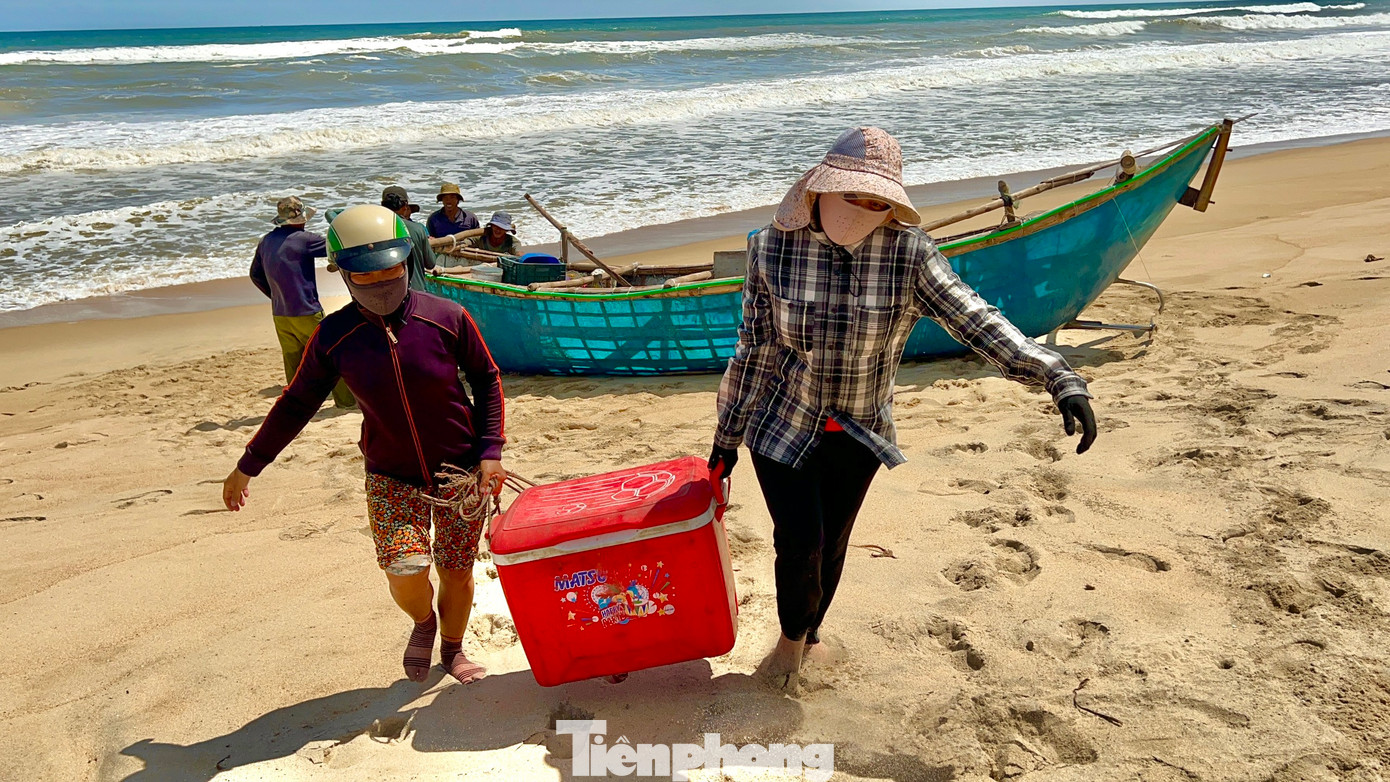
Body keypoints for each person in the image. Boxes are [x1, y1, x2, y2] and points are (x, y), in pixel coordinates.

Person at [709, 127, 1098, 692]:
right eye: (852, 194)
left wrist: (1057, 377)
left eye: (877, 202)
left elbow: (974, 318)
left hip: (859, 430)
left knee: (833, 543)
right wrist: (726, 438)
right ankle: (790, 644)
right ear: (821, 188)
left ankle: (810, 635)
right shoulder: (770, 248)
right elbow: (755, 348)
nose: (862, 211)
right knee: (799, 541)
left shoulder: (908, 254)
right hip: (781, 422)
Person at [223, 204, 508, 686]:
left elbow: (487, 379)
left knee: (457, 570)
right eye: (365, 274)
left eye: (390, 269)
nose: (380, 281)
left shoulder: (447, 317)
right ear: (343, 272)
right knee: (404, 569)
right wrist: (249, 464)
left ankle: (453, 649)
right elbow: (297, 403)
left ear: (406, 261)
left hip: (461, 472)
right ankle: (424, 622)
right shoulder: (335, 336)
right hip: (390, 475)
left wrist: (490, 452)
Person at [249, 196, 354, 409]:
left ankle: (297, 403)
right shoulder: (304, 240)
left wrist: (276, 296)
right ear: (300, 219)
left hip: (280, 313)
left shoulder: (266, 241)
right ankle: (346, 402)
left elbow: (255, 274)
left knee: (293, 360)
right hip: (306, 310)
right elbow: (338, 247)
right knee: (330, 352)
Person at [381, 185, 437, 290]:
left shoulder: (374, 230)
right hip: (416, 292)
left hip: (387, 292)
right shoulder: (418, 229)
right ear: (405, 206)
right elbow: (431, 263)